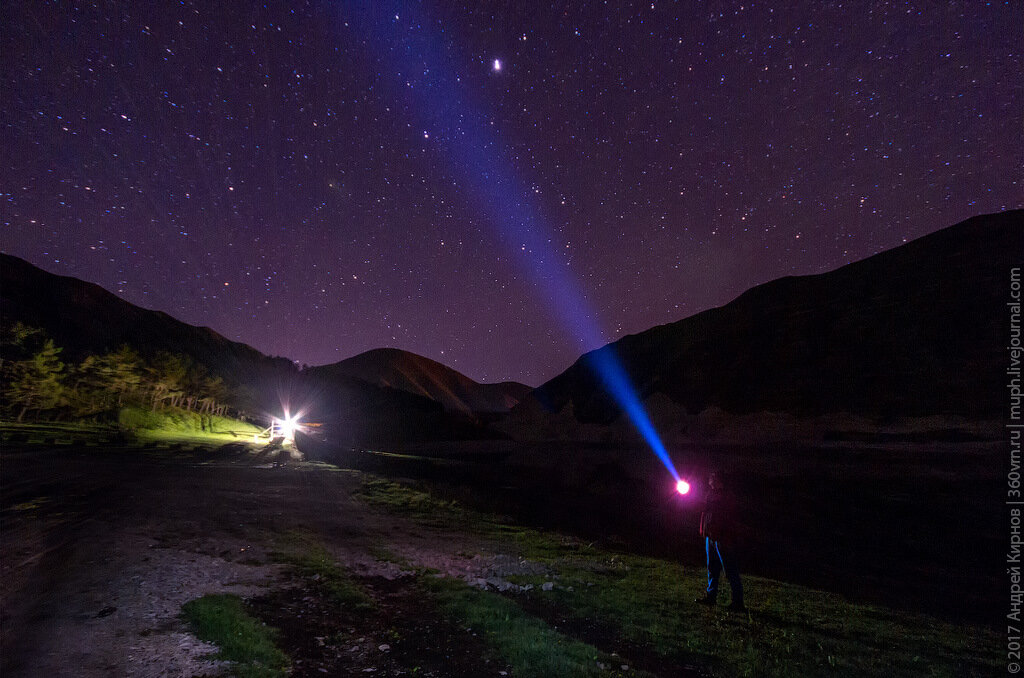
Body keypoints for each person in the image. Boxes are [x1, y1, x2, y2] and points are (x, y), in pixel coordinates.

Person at [694, 471, 745, 611]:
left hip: (723, 538)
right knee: (712, 568)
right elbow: (704, 510)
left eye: (713, 479)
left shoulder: (726, 496)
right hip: (711, 537)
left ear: (719, 480)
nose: (710, 481)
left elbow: (727, 515)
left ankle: (738, 602)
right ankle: (711, 597)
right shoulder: (710, 494)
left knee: (730, 570)